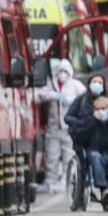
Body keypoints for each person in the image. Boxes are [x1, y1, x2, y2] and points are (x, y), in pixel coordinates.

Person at [69, 95, 108, 208]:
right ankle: (104, 190)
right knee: (95, 156)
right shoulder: (87, 120)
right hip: (96, 152)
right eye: (97, 109)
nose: (100, 111)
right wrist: (92, 121)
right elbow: (77, 135)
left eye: (103, 109)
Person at [37, 59, 85, 193]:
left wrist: (69, 100)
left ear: (70, 72)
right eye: (60, 71)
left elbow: (85, 99)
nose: (62, 74)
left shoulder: (76, 85)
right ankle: (50, 182)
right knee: (51, 156)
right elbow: (38, 95)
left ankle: (66, 182)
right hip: (54, 128)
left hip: (69, 128)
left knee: (68, 156)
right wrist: (49, 95)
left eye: (65, 71)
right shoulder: (51, 84)